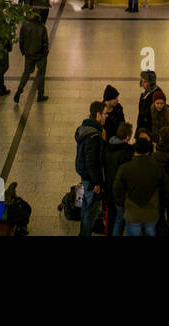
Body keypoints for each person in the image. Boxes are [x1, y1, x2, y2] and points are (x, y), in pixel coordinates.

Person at [114, 136, 166, 236]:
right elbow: (164, 188)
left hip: (132, 212)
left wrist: (123, 203)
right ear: (149, 151)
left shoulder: (125, 168)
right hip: (152, 212)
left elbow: (117, 189)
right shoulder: (157, 167)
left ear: (135, 150)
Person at [74, 101, 106, 236]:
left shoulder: (84, 128)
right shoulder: (93, 136)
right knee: (91, 210)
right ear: (98, 114)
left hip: (85, 175)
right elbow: (92, 162)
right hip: (91, 179)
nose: (106, 116)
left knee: (86, 206)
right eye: (104, 113)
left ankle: (83, 232)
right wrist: (97, 182)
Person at [103, 121, 134, 235]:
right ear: (127, 137)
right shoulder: (125, 153)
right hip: (119, 191)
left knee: (111, 217)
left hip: (108, 188)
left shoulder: (108, 146)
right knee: (120, 219)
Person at [14, 9, 49, 103]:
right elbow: (45, 42)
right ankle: (40, 95)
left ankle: (19, 90)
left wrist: (23, 51)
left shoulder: (25, 26)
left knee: (26, 73)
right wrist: (45, 53)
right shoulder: (42, 27)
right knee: (41, 74)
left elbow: (21, 40)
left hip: (28, 54)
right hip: (40, 54)